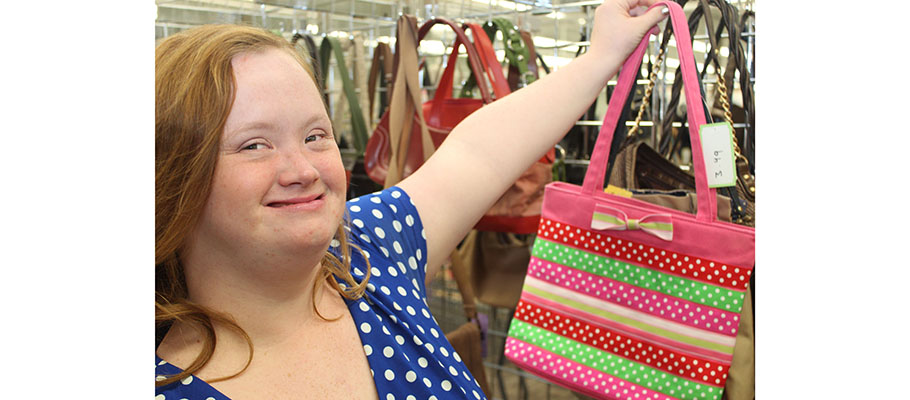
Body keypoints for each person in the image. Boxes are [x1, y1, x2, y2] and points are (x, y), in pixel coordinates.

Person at [154, 0, 668, 398]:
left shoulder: (365, 254)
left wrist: (603, 54)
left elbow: (477, 154)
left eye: (316, 135)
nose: (304, 170)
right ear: (173, 178)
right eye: (254, 145)